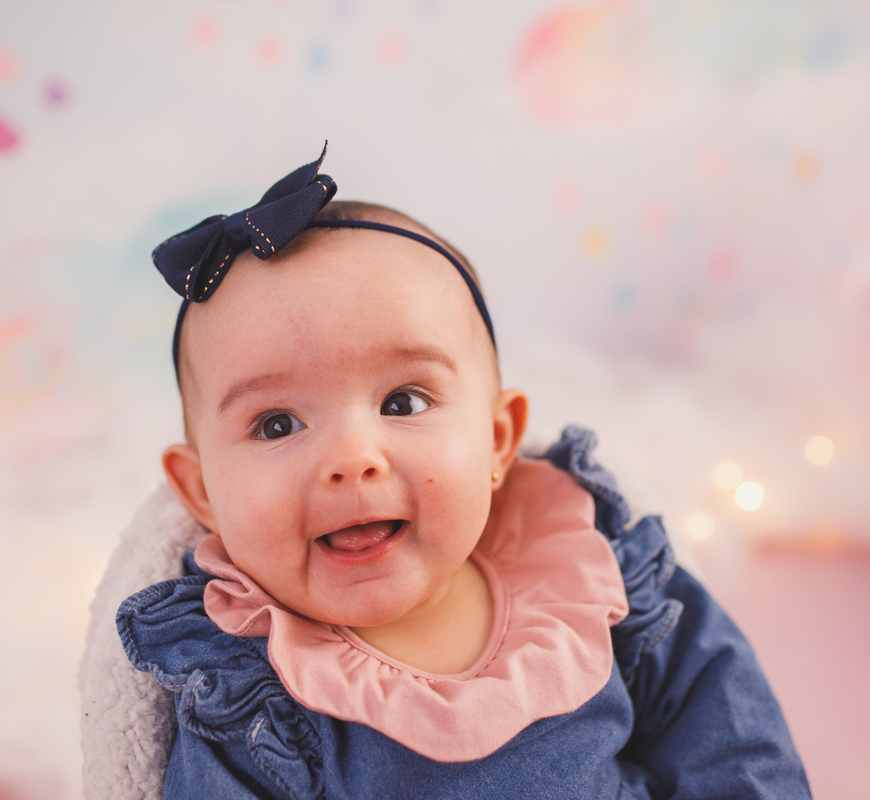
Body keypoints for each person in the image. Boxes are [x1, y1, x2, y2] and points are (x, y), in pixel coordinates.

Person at [115, 146, 811, 799]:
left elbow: (734, 742)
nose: (353, 459)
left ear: (499, 439)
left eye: (403, 401)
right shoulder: (249, 690)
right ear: (203, 490)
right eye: (276, 424)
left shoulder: (588, 571)